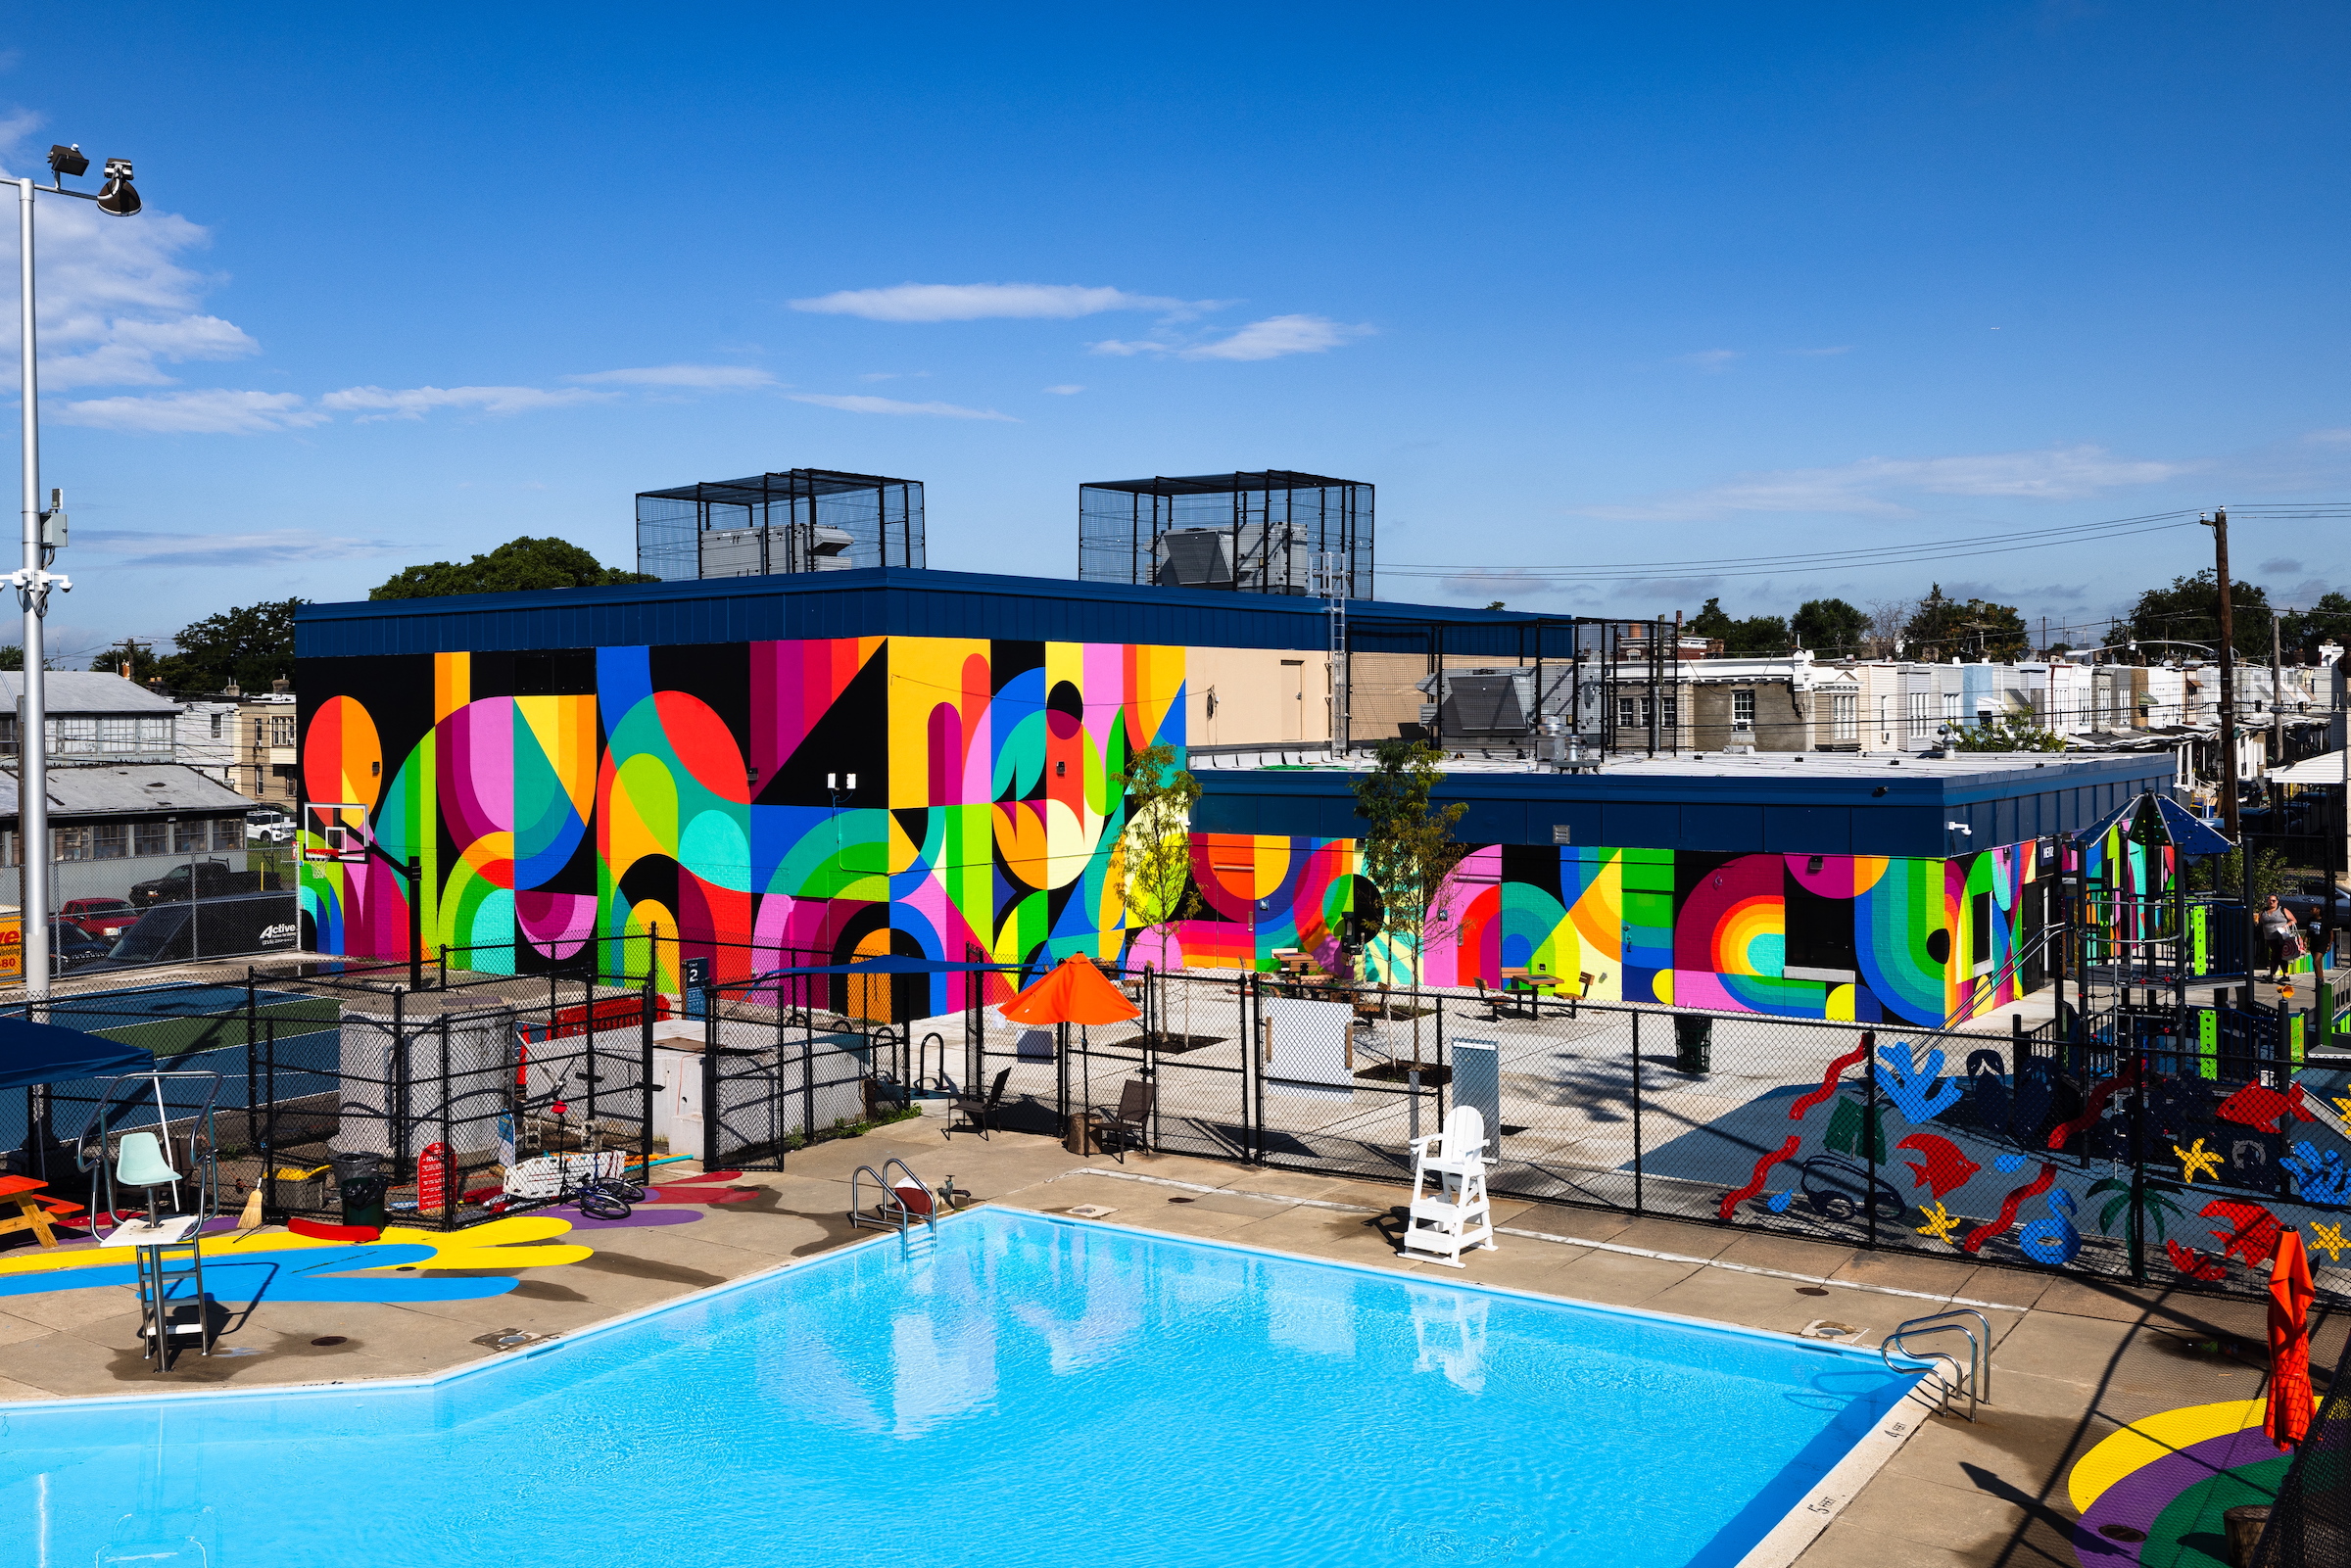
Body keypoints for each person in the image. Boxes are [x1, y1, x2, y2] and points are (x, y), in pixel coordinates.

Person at [2257, 894, 2300, 981]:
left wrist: (2285, 926)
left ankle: (2274, 975)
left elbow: (2294, 920)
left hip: (2281, 936)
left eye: (2273, 901)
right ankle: (2283, 975)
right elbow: (2259, 922)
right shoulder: (2263, 911)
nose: (2271, 902)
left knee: (2276, 954)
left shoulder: (2282, 910)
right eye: (2269, 900)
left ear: (2277, 901)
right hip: (2269, 937)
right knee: (2278, 954)